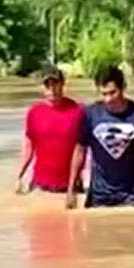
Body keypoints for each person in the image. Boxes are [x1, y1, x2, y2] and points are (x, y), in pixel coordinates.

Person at [66, 65, 134, 210]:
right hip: (98, 197)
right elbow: (80, 151)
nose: (108, 99)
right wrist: (71, 191)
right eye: (103, 94)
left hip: (132, 197)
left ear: (124, 87)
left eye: (112, 93)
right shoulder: (90, 115)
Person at [17, 66, 85, 195]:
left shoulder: (78, 111)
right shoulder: (34, 113)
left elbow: (86, 150)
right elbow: (28, 148)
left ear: (63, 84)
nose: (52, 89)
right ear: (41, 87)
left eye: (55, 84)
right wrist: (19, 176)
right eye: (47, 85)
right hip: (40, 187)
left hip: (71, 187)